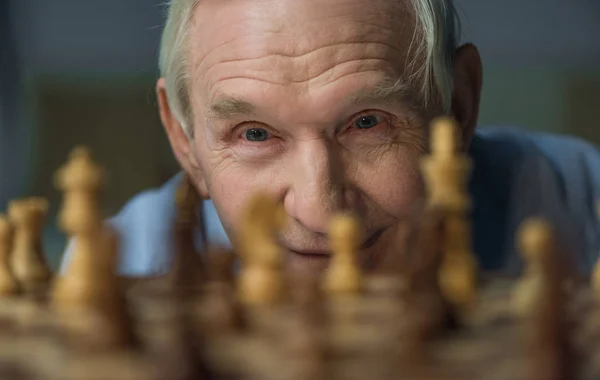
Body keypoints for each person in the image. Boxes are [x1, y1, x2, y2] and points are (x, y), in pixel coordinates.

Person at [63, 0, 600, 276]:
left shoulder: (585, 208)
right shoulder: (120, 266)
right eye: (254, 133)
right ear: (185, 143)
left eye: (368, 123)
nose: (321, 215)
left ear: (458, 109)